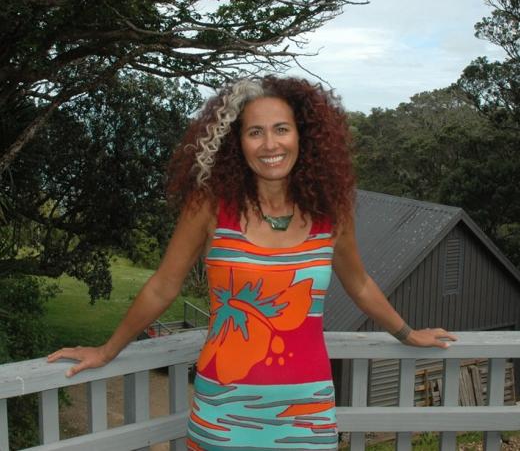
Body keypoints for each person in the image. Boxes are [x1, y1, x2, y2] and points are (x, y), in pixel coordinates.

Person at [48, 76, 456, 450]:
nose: (270, 144)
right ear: (236, 142)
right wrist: (106, 351)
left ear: (303, 136)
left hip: (305, 411)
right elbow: (163, 286)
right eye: (255, 132)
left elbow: (361, 284)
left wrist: (407, 334)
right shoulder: (209, 207)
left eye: (281, 129)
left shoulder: (330, 216)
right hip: (224, 407)